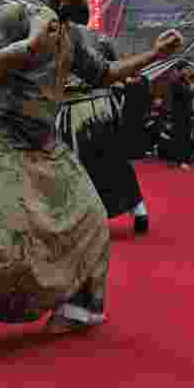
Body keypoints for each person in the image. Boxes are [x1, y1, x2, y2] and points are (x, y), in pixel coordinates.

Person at [0, 0, 182, 376]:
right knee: (6, 249)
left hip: (45, 140)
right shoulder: (15, 13)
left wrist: (156, 55)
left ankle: (79, 310)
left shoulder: (72, 32)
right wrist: (26, 47)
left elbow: (103, 74)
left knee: (94, 220)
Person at [57, 20, 150, 233]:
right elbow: (117, 71)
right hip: (103, 106)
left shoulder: (54, 38)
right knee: (116, 160)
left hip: (75, 109)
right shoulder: (101, 39)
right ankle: (138, 210)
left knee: (76, 166)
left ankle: (82, 217)